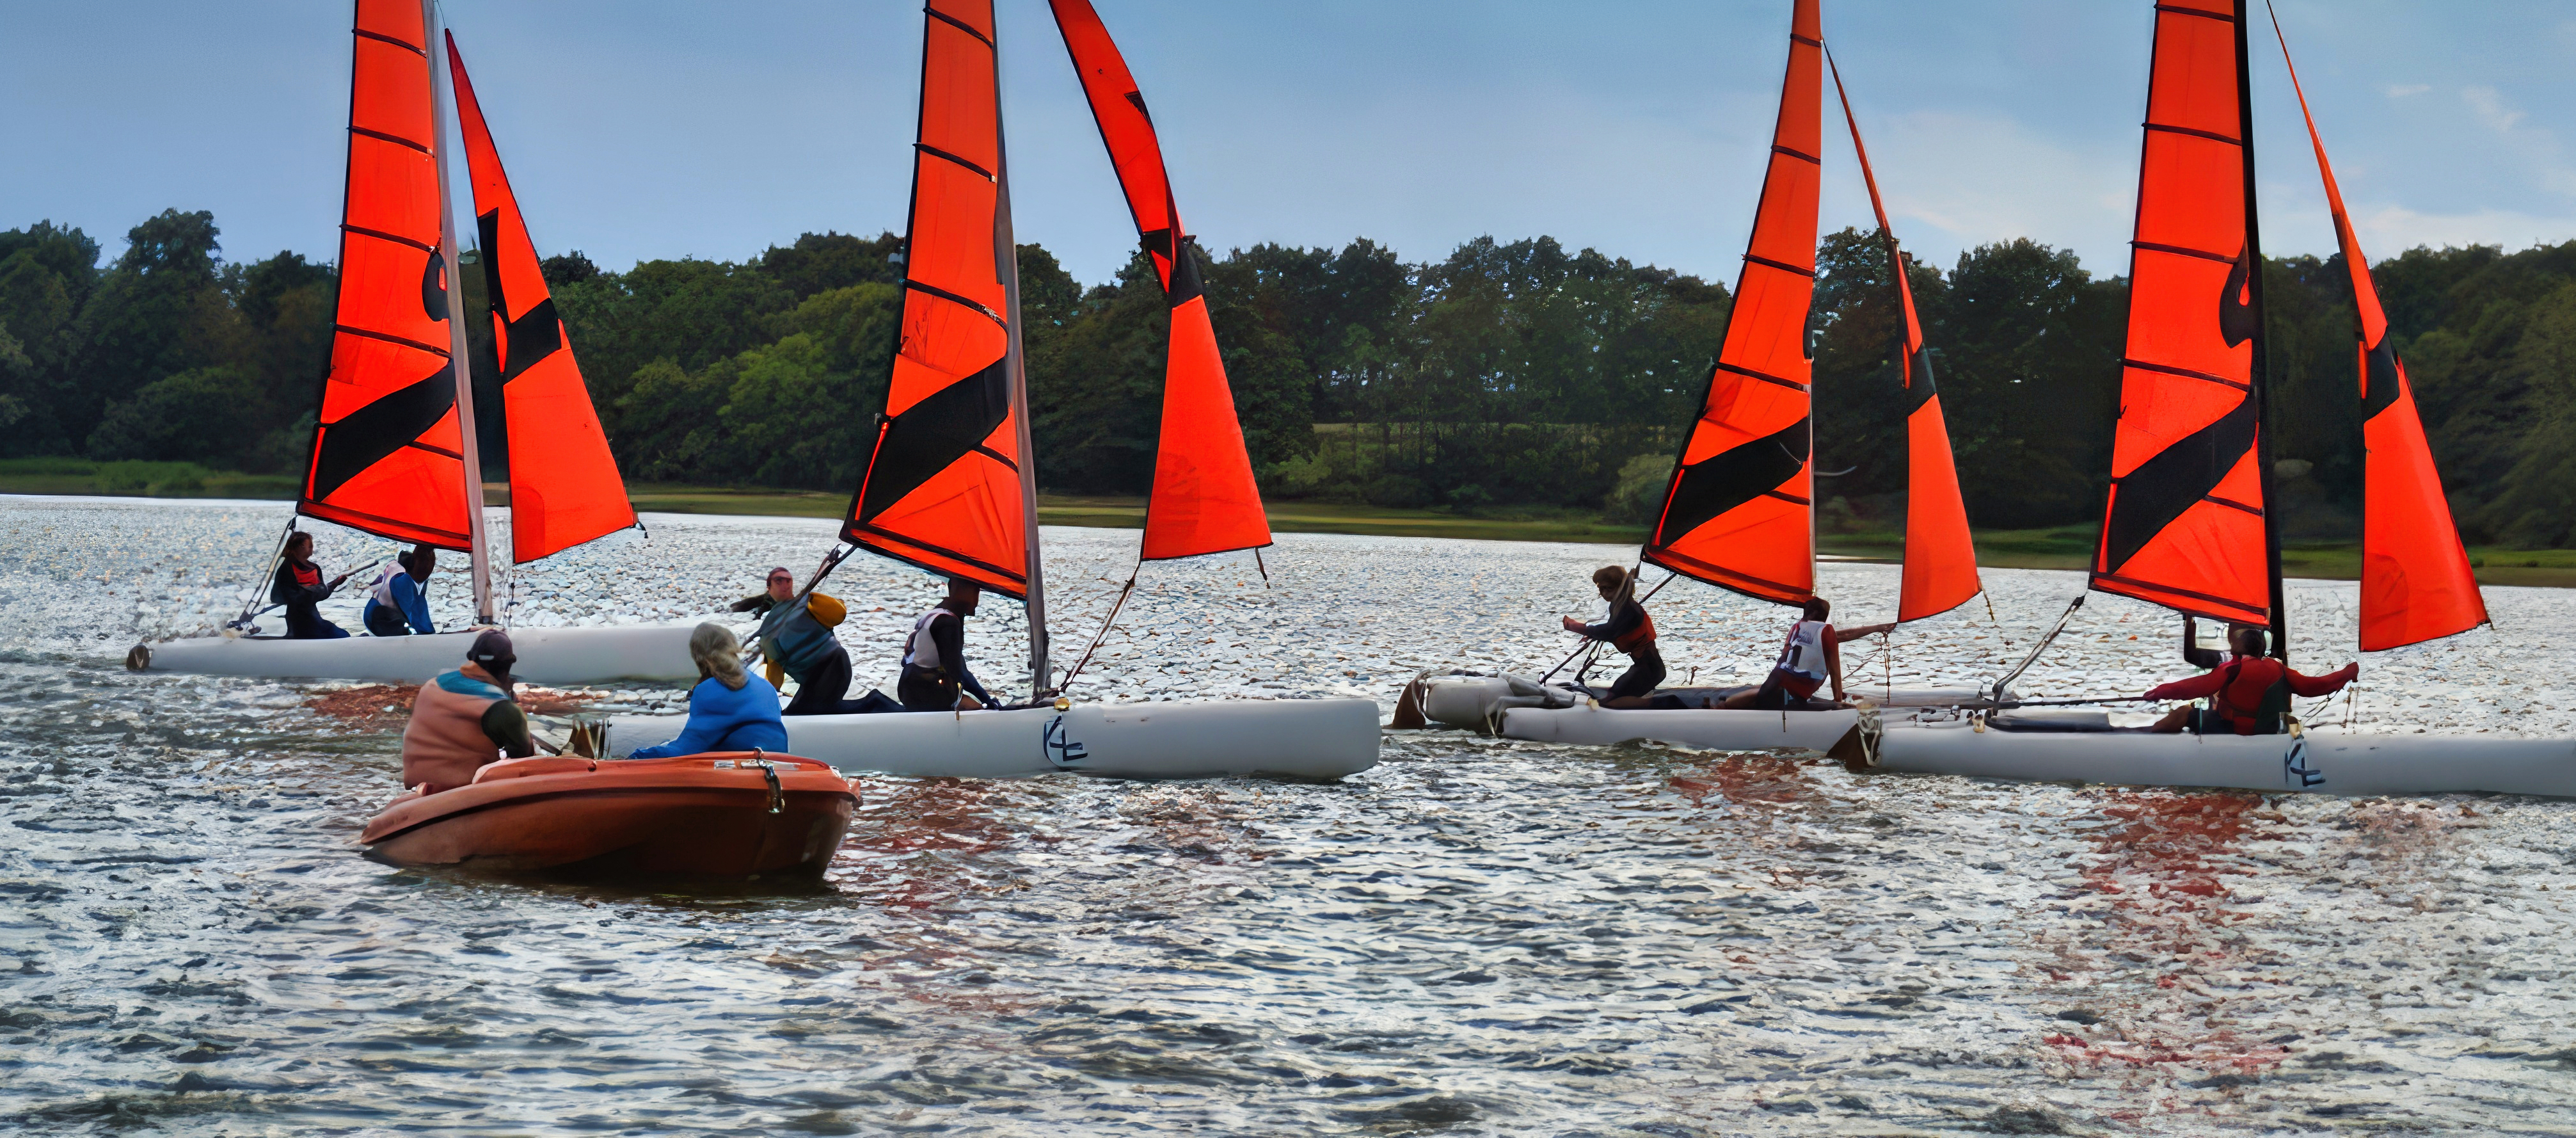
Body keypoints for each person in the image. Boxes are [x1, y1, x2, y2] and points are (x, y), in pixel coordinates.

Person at [2145, 626, 2357, 735]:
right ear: (2259, 649)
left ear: (2237, 649)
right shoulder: (2279, 668)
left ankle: (2146, 739)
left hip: (2235, 729)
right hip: (2269, 729)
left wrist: (2160, 692)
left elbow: (2194, 687)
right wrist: (2347, 672)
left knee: (2185, 712)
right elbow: (2314, 687)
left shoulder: (2232, 668)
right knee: (2292, 722)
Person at [731, 566, 880, 716]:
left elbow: (839, 614)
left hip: (833, 665)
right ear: (769, 588)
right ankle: (875, 703)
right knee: (800, 712)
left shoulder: (809, 604)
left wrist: (812, 598)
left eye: (788, 580)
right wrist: (767, 693)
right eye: (779, 581)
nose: (785, 584)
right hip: (815, 677)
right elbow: (775, 674)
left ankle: (876, 704)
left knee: (806, 713)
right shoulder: (769, 629)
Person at [399, 630, 534, 794]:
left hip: (420, 785)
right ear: (509, 665)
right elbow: (524, 758)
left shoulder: (433, 685)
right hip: (462, 792)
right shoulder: (501, 707)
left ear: (471, 657)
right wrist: (512, 706)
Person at [633, 623, 791, 758]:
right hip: (779, 767)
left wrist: (636, 757)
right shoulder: (765, 686)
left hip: (745, 775)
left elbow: (686, 750)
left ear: (699, 658)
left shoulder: (708, 690)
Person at [1720, 597, 1893, 710]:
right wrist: (1837, 702)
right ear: (1826, 617)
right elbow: (1835, 675)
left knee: (1761, 694)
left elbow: (1843, 635)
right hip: (1789, 699)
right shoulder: (1826, 632)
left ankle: (1724, 706)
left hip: (1769, 689)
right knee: (1845, 708)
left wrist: (1877, 628)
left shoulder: (1797, 628)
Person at [1559, 565, 1664, 709]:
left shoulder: (1629, 610)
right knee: (1614, 693)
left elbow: (1610, 631)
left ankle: (1666, 704)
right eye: (1601, 589)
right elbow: (1612, 629)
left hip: (1650, 668)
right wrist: (1591, 632)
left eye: (1609, 589)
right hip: (1643, 665)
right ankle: (1607, 707)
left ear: (1622, 588)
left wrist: (1576, 626)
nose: (1604, 594)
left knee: (1610, 701)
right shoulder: (1617, 606)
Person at [898, 581, 996, 712]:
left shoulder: (939, 612)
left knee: (973, 705)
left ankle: (876, 700)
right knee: (976, 710)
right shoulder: (948, 623)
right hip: (922, 690)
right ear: (964, 594)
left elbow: (958, 666)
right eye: (976, 592)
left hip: (911, 683)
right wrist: (987, 702)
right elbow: (960, 671)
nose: (976, 601)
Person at [271, 532, 350, 639]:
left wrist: (335, 584)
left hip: (314, 617)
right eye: (310, 546)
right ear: (300, 547)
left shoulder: (314, 569)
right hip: (298, 621)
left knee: (343, 634)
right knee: (340, 636)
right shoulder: (286, 569)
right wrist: (316, 590)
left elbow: (321, 595)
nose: (312, 550)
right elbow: (282, 597)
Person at [363, 544, 438, 637]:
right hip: (377, 617)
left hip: (382, 611)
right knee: (404, 629)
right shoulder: (403, 582)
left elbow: (420, 604)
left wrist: (428, 632)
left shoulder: (406, 571)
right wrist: (423, 633)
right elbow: (409, 612)